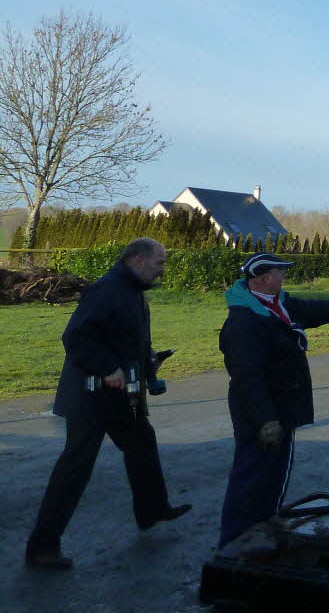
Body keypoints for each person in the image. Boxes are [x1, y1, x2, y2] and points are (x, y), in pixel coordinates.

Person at [26, 238, 191, 569]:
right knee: (75, 468)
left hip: (119, 397)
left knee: (142, 443)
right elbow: (75, 338)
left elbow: (129, 338)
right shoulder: (107, 290)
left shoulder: (131, 291)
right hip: (90, 397)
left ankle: (153, 510)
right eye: (160, 263)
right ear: (139, 260)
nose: (163, 270)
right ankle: (42, 547)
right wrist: (107, 368)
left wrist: (148, 365)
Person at [217, 252, 329, 548]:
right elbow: (247, 377)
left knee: (272, 473)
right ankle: (234, 540)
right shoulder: (243, 321)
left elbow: (310, 310)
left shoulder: (277, 303)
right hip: (263, 412)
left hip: (280, 408)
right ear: (262, 279)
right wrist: (266, 419)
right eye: (279, 272)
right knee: (251, 473)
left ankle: (262, 524)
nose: (283, 276)